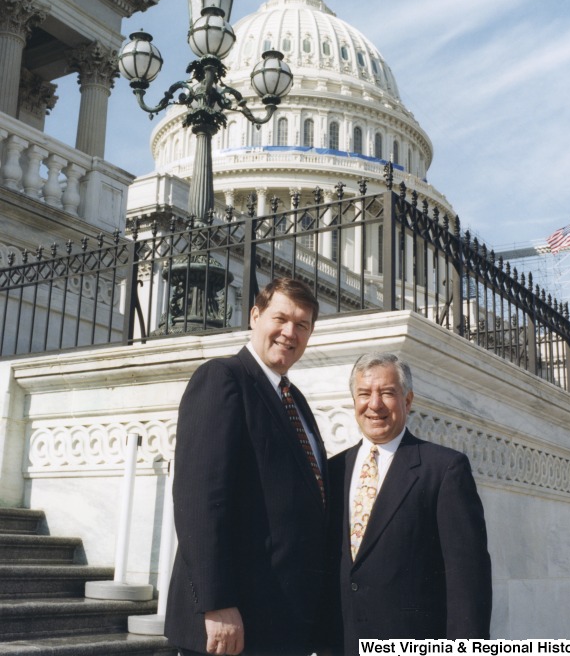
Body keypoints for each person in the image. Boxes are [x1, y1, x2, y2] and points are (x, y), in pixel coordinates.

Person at [164, 277, 328, 656]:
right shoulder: (222, 378)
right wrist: (216, 601)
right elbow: (199, 500)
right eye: (281, 318)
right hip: (231, 623)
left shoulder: (295, 399)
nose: (290, 332)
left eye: (302, 325)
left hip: (281, 621)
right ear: (255, 316)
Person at [328, 352, 492, 653]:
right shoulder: (333, 471)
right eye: (364, 394)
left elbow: (468, 580)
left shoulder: (444, 469)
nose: (374, 404)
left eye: (387, 393)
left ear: (408, 400)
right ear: (354, 402)